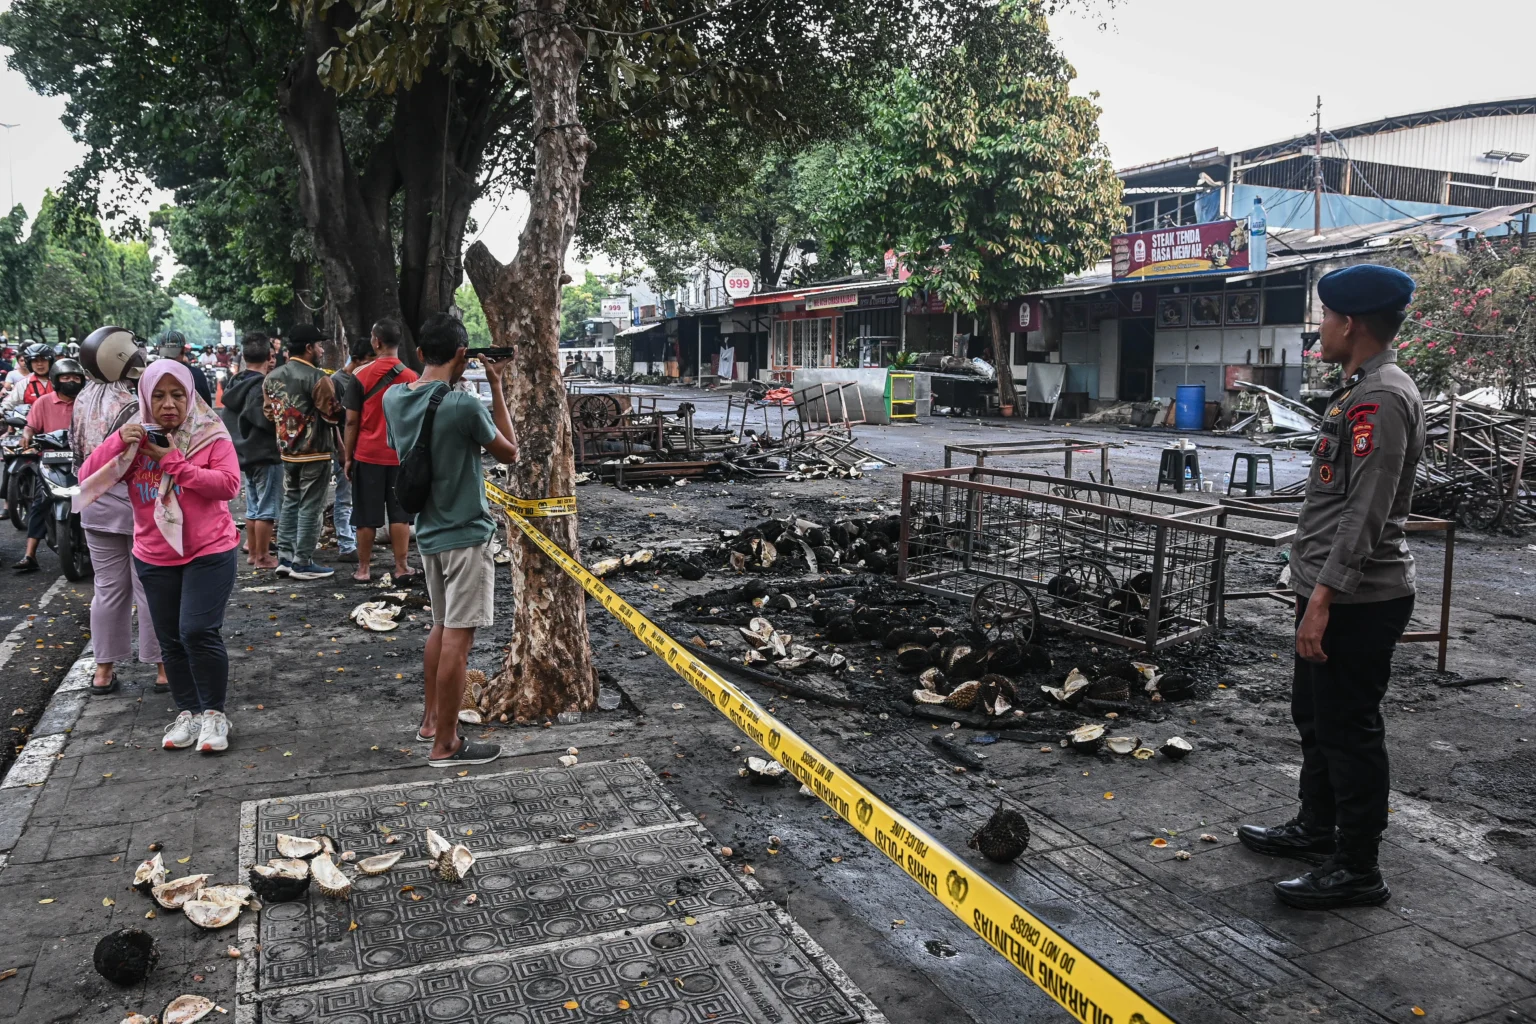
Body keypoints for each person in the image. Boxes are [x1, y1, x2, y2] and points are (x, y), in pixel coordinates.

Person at [1239, 264, 1424, 911]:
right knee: (1316, 719)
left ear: (1351, 323)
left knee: (1349, 730)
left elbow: (1365, 513)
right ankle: (1315, 829)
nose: (1320, 329)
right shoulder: (1357, 390)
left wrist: (1321, 600)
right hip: (1327, 590)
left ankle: (1356, 867)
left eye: (1325, 318)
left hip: (1357, 599)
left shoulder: (1381, 399)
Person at [79, 361, 240, 753]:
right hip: (154, 554)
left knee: (197, 632)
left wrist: (172, 461)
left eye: (177, 394)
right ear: (145, 398)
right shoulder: (134, 439)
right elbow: (88, 476)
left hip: (209, 550)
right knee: (169, 639)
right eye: (159, 395)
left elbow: (228, 485)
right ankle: (188, 713)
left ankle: (215, 715)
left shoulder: (209, 434)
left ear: (190, 396)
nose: (169, 404)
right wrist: (118, 441)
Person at [383, 313, 516, 765]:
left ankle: (429, 722)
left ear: (419, 354)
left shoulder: (393, 398)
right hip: (465, 535)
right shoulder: (464, 405)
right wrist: (496, 386)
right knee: (458, 639)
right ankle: (446, 743)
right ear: (463, 356)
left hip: (428, 533)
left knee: (441, 628)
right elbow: (510, 452)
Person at [73, 327, 168, 694]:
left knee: (108, 590)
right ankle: (162, 669)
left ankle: (103, 671)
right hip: (136, 507)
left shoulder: (82, 399)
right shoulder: (134, 402)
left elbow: (79, 453)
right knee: (149, 588)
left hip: (93, 506)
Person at [262, 324, 340, 580]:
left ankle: (285, 556)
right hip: (315, 451)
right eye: (318, 345)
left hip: (287, 451)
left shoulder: (272, 377)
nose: (320, 350)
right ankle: (303, 561)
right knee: (311, 506)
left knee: (290, 502)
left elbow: (268, 413)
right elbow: (331, 413)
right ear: (308, 348)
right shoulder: (318, 377)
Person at [346, 319, 418, 583]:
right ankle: (401, 567)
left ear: (376, 342)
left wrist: (347, 457)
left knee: (366, 515)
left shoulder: (360, 376)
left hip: (367, 455)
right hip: (400, 456)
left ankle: (363, 569)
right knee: (399, 515)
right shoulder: (412, 377)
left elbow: (351, 420)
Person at [12, 357, 86, 572]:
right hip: (51, 461)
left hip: (81, 461)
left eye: (75, 377)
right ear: (56, 379)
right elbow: (30, 426)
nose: (71, 380)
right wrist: (26, 436)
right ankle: (30, 554)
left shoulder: (85, 402)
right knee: (39, 503)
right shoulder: (43, 402)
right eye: (66, 377)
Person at [221, 332, 283, 568]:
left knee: (254, 506)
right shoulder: (261, 387)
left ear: (244, 357)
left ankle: (253, 553)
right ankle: (262, 556)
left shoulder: (234, 384)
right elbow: (266, 420)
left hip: (243, 454)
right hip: (264, 454)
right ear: (270, 356)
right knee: (266, 509)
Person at [154, 331, 214, 406]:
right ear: (183, 350)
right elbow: (207, 406)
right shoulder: (196, 374)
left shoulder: (151, 374)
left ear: (159, 349)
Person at [3, 342, 55, 412]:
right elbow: (8, 403)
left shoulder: (59, 381)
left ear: (50, 362)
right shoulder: (23, 384)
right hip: (31, 422)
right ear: (29, 364)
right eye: (35, 361)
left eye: (43, 360)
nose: (40, 364)